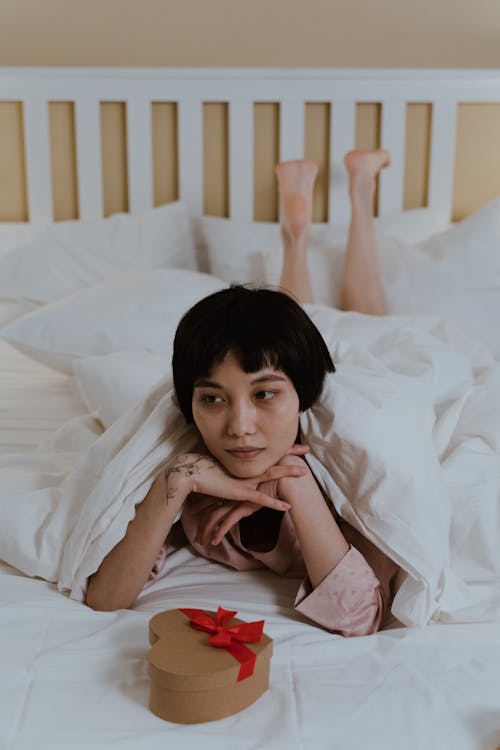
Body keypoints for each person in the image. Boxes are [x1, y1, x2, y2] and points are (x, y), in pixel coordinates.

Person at [86, 151, 399, 637]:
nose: (239, 427)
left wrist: (295, 484)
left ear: (302, 397)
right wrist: (178, 477)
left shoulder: (348, 470)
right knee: (282, 340)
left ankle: (356, 198)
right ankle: (297, 238)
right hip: (283, 361)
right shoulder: (190, 470)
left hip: (360, 359)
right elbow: (105, 599)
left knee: (371, 321)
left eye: (265, 397)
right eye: (211, 399)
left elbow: (362, 619)